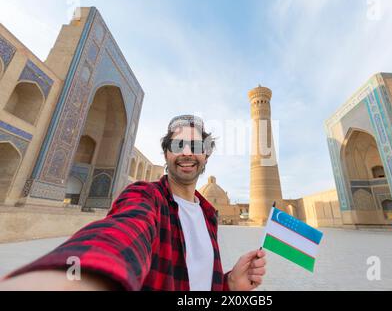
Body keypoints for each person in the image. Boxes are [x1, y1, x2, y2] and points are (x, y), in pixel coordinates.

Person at [0, 115, 266, 291]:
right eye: (179, 145)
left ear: (206, 157)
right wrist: (78, 275)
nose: (187, 153)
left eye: (196, 146)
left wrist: (229, 283)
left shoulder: (208, 215)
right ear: (166, 153)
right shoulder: (145, 197)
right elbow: (122, 233)